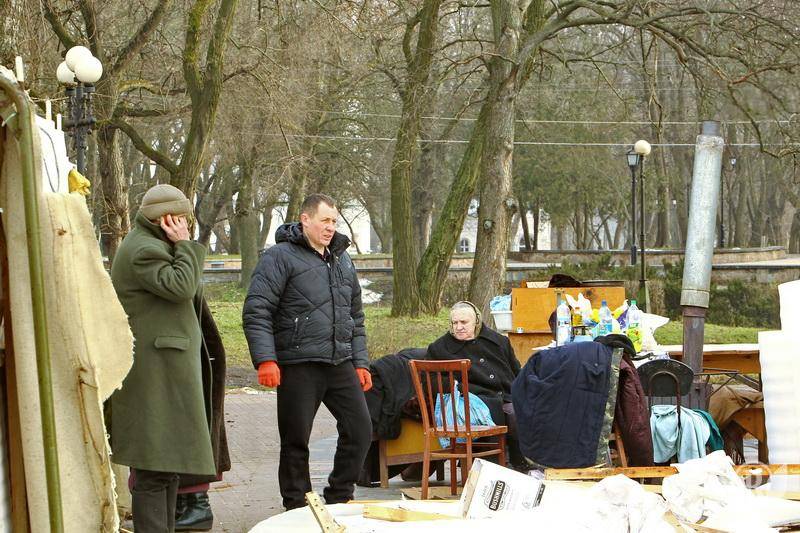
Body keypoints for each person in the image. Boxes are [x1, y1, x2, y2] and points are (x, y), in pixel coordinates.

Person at [243, 193, 373, 510]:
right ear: (305, 219)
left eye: (334, 221)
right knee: (296, 439)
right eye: (324, 220)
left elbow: (355, 316)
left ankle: (339, 495)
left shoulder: (342, 258)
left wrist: (360, 362)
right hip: (298, 362)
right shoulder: (279, 257)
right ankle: (297, 504)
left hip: (339, 361)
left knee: (360, 429)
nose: (330, 227)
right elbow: (257, 310)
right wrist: (266, 359)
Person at [110, 184, 215, 532]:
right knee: (154, 467)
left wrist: (180, 247)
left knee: (167, 466)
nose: (186, 225)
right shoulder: (144, 249)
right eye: (182, 218)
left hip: (165, 372)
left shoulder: (154, 244)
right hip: (154, 375)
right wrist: (185, 244)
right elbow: (181, 287)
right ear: (166, 219)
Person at [425, 301, 525, 469]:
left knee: (523, 410)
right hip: (471, 403)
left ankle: (522, 463)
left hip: (505, 395)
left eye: (464, 322)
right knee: (507, 412)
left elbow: (516, 371)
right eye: (454, 323)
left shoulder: (498, 341)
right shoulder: (439, 348)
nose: (458, 327)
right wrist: (455, 386)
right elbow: (431, 380)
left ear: (476, 321)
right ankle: (499, 466)